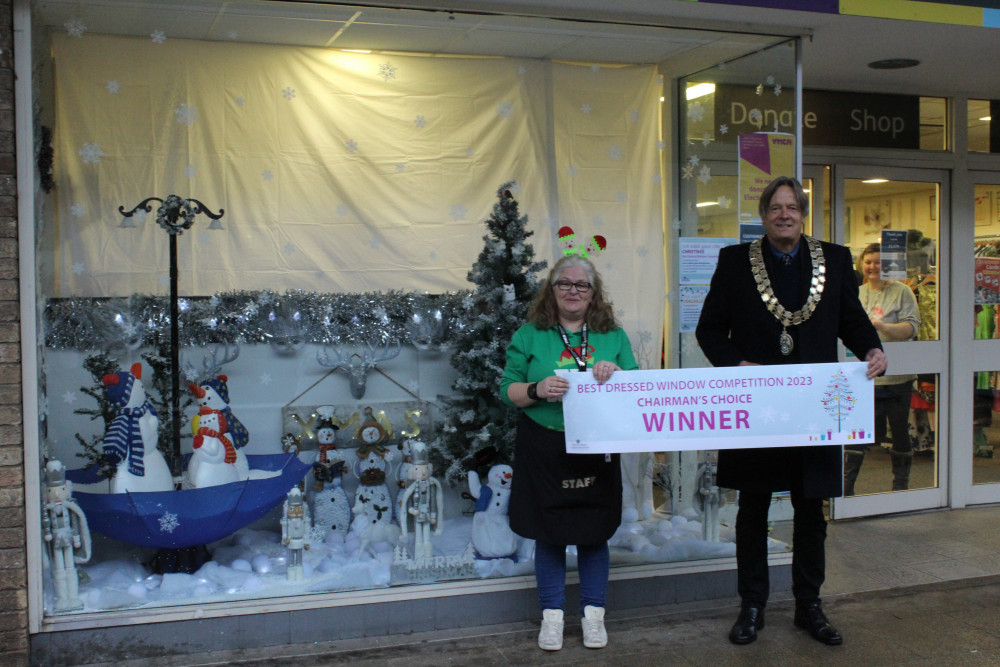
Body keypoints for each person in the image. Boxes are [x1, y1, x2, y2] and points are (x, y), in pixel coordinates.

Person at [696, 176, 887, 647]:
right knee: (752, 509)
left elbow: (851, 319)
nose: (785, 214)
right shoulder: (736, 261)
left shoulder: (836, 259)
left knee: (810, 509)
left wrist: (871, 349)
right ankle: (752, 605)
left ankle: (809, 606)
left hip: (813, 408)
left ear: (803, 214)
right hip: (759, 405)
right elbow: (709, 330)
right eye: (775, 208)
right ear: (764, 216)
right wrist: (738, 364)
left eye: (792, 207)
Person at [500, 254, 638, 652]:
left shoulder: (612, 335)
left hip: (596, 445)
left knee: (594, 534)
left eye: (582, 285)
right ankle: (553, 619)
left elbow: (638, 387)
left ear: (594, 294)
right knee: (549, 535)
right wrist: (536, 389)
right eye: (565, 283)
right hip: (543, 444)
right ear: (552, 290)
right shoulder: (529, 335)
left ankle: (594, 617)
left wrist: (616, 374)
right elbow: (507, 388)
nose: (573, 290)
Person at [844, 243, 920, 494]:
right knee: (857, 434)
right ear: (861, 265)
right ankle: (846, 490)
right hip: (863, 377)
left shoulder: (903, 291)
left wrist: (883, 326)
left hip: (897, 377)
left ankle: (900, 487)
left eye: (878, 262)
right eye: (868, 262)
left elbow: (911, 328)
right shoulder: (856, 292)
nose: (873, 267)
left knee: (899, 432)